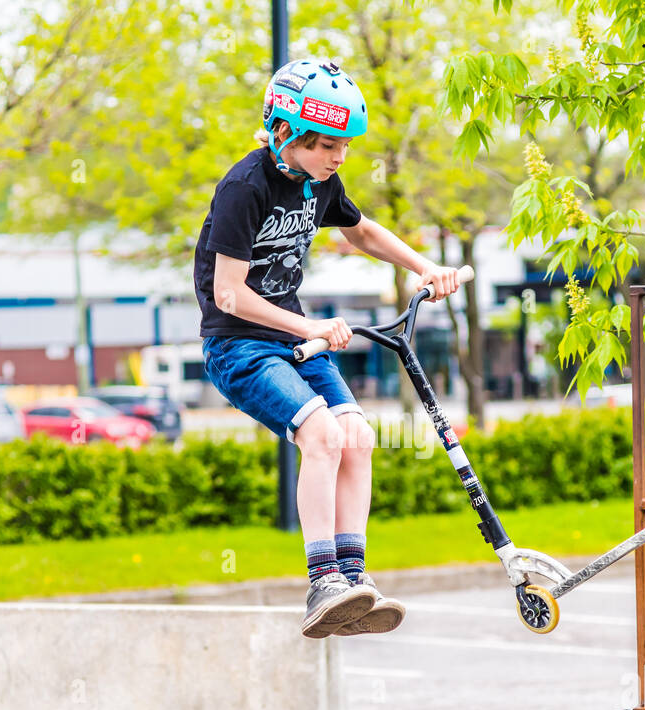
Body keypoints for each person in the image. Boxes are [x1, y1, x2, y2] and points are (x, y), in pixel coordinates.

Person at [194, 57, 462, 639]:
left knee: (358, 436)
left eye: (343, 143)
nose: (338, 156)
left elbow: (359, 231)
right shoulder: (244, 188)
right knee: (321, 436)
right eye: (325, 143)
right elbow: (229, 296)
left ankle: (353, 584)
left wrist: (425, 266)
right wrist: (310, 327)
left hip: (293, 339)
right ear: (284, 133)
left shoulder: (319, 183)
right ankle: (323, 581)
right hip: (239, 346)